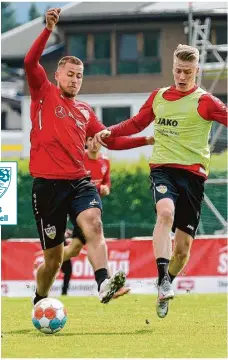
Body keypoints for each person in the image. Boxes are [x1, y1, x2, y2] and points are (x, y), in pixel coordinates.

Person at [24, 8, 154, 306]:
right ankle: (41, 297)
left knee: (93, 224)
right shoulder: (43, 92)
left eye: (79, 76)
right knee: (54, 261)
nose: (75, 80)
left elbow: (112, 139)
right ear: (56, 75)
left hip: (80, 183)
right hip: (47, 187)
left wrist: (144, 139)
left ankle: (103, 282)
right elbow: (30, 62)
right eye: (70, 74)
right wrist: (47, 30)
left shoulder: (85, 112)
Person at [93, 44, 227, 317]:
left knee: (183, 250)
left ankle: (166, 284)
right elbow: (136, 123)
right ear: (173, 68)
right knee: (165, 212)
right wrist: (110, 130)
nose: (181, 75)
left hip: (193, 176)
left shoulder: (206, 102)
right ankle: (163, 278)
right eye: (178, 70)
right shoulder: (159, 97)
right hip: (163, 169)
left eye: (187, 71)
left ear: (196, 71)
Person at [61, 137, 129, 297]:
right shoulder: (78, 159)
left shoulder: (105, 161)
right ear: (85, 142)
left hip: (93, 211)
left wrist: (105, 189)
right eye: (90, 139)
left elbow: (107, 184)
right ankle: (109, 283)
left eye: (97, 140)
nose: (94, 143)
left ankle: (48, 261)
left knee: (73, 249)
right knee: (98, 239)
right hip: (80, 211)